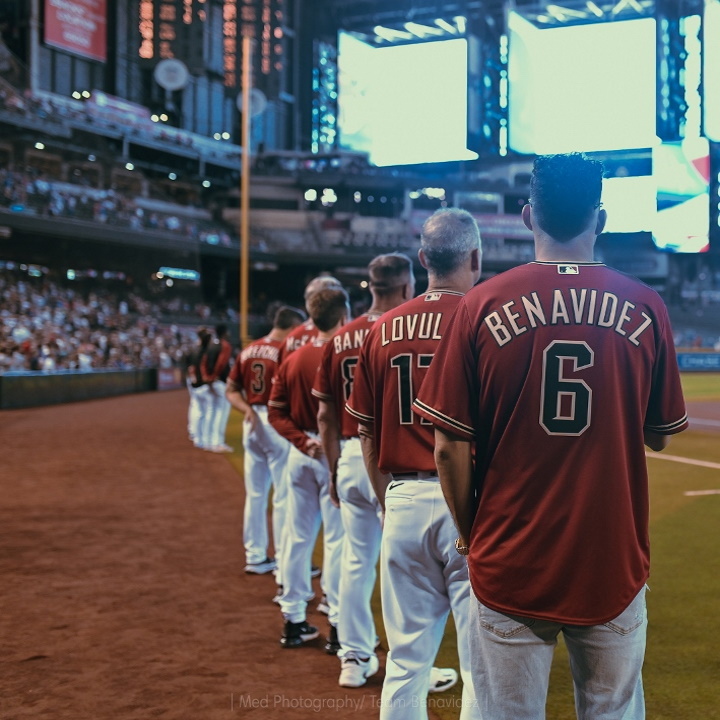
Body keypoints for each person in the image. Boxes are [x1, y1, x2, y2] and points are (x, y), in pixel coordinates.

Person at [414, 153, 689, 720]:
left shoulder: (479, 306)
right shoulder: (646, 305)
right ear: (602, 219)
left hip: (509, 556)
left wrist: (472, 533)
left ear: (526, 216)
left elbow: (447, 446)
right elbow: (659, 436)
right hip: (610, 558)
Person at [346, 208, 483, 720]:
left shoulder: (381, 329)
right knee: (480, 666)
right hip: (470, 502)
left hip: (402, 499)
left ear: (423, 259)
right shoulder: (484, 318)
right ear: (474, 257)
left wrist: (390, 501)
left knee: (405, 662)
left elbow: (364, 428)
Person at [314, 253, 415, 688]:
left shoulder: (341, 337)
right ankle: (410, 666)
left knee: (356, 560)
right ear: (407, 286)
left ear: (368, 287)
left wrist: (334, 467)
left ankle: (353, 658)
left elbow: (325, 416)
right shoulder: (411, 327)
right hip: (398, 459)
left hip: (352, 456)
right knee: (403, 566)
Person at [268, 287, 349, 650]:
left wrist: (301, 442)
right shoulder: (348, 355)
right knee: (337, 542)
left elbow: (275, 412)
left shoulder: (294, 357)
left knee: (296, 538)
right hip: (337, 453)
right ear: (344, 314)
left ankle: (293, 621)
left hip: (300, 455)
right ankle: (336, 625)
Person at [226, 305, 306, 575]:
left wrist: (246, 409)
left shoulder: (249, 349)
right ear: (292, 326)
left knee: (256, 494)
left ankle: (255, 556)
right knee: (283, 496)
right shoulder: (286, 349)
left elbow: (231, 389)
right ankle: (284, 561)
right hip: (276, 422)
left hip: (253, 424)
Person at [200, 323, 233, 453]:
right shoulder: (225, 345)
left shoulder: (211, 345)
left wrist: (206, 377)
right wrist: (213, 376)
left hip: (210, 382)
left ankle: (206, 441)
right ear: (224, 332)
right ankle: (217, 442)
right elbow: (221, 363)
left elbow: (203, 362)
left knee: (211, 411)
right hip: (219, 381)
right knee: (222, 412)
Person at [185, 327, 211, 447]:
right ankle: (201, 436)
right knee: (203, 410)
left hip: (192, 380)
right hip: (199, 382)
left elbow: (188, 365)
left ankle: (193, 432)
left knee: (195, 406)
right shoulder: (203, 350)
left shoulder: (194, 348)